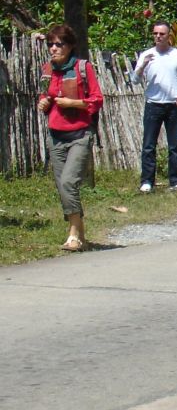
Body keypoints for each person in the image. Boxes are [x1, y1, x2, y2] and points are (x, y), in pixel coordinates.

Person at [37, 24, 104, 251]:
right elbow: (45, 96)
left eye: (59, 44)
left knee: (68, 182)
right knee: (62, 186)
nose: (54, 48)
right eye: (50, 44)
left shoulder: (82, 68)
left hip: (79, 134)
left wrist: (73, 103)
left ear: (70, 45)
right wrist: (43, 102)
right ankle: (80, 233)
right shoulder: (48, 69)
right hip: (55, 136)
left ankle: (74, 234)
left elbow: (97, 100)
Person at [134, 20, 177, 193]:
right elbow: (134, 79)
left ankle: (175, 179)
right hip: (153, 104)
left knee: (175, 144)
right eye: (155, 34)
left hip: (173, 104)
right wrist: (143, 65)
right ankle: (147, 180)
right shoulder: (147, 54)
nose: (158, 37)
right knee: (149, 144)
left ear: (169, 36)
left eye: (162, 34)